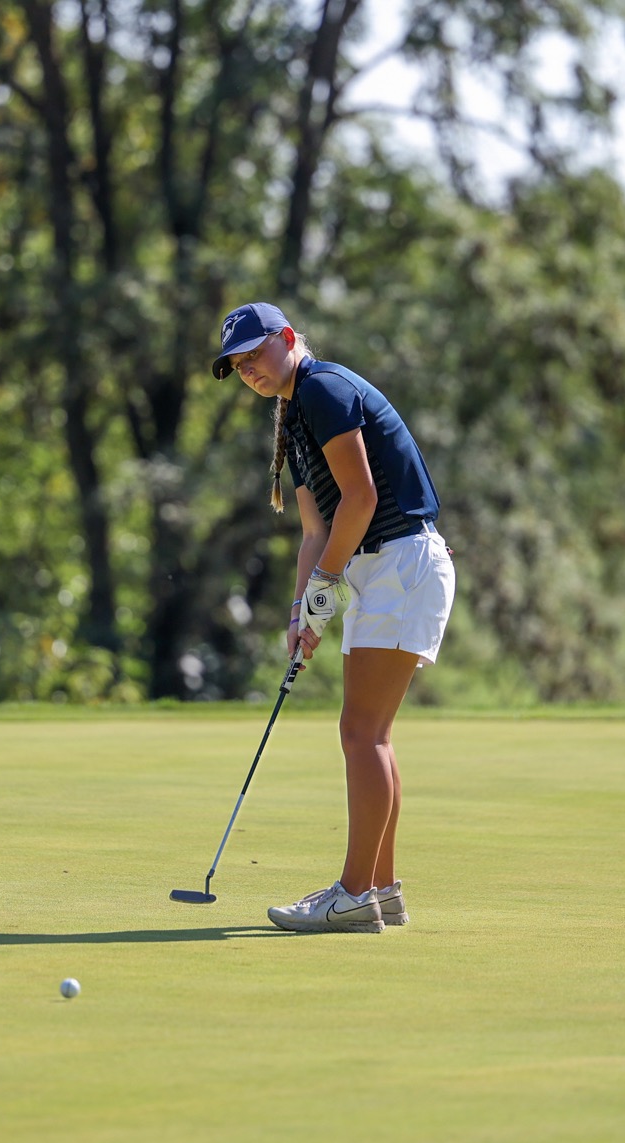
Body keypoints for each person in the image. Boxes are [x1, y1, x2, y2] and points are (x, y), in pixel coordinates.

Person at [210, 302, 456, 933]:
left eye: (256, 353)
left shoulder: (322, 388)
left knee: (361, 733)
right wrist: (303, 610)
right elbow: (316, 531)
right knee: (370, 734)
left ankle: (352, 894)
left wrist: (325, 586)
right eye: (238, 365)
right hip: (384, 570)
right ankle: (380, 891)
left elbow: (362, 498)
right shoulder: (295, 416)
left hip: (400, 562)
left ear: (289, 338)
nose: (249, 370)